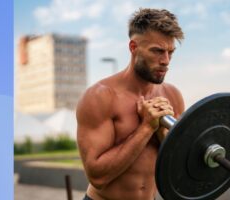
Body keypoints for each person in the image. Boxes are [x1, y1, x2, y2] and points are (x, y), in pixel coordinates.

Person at [76, 8, 185, 200]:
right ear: (133, 47)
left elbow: (179, 166)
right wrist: (146, 128)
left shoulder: (172, 95)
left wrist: (162, 134)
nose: (166, 61)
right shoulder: (100, 97)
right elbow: (97, 177)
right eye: (158, 51)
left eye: (170, 52)